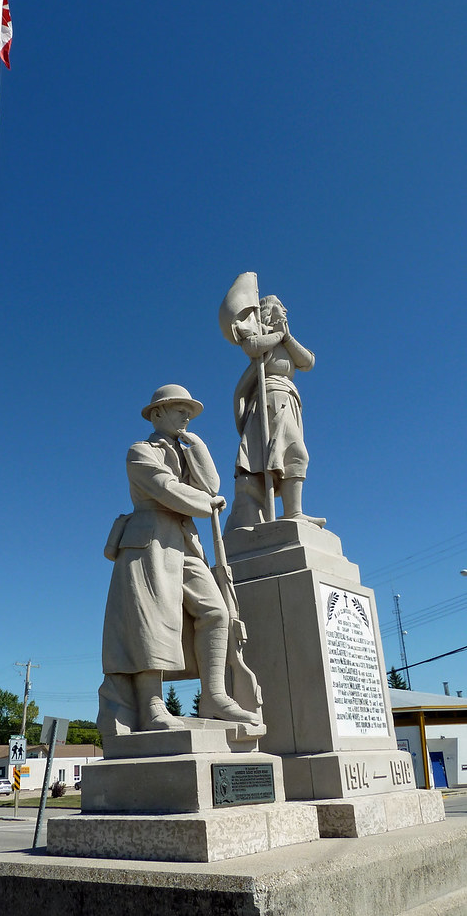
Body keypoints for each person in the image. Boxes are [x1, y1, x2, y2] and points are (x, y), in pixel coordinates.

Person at [98, 384, 260, 735]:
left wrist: (199, 449)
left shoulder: (188, 451)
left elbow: (212, 486)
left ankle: (214, 695)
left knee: (216, 611)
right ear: (157, 414)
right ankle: (152, 704)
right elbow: (166, 488)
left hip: (185, 539)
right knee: (152, 621)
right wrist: (207, 505)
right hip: (150, 536)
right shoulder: (140, 451)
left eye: (189, 409)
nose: (187, 415)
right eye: (179, 408)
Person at [224, 295, 325, 532]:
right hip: (270, 398)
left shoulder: (285, 339)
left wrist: (286, 336)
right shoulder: (259, 332)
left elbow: (308, 361)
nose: (286, 309)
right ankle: (290, 512)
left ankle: (294, 512)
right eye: (281, 305)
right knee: (292, 451)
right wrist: (277, 335)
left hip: (289, 398)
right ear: (269, 309)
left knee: (292, 455)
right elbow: (251, 347)